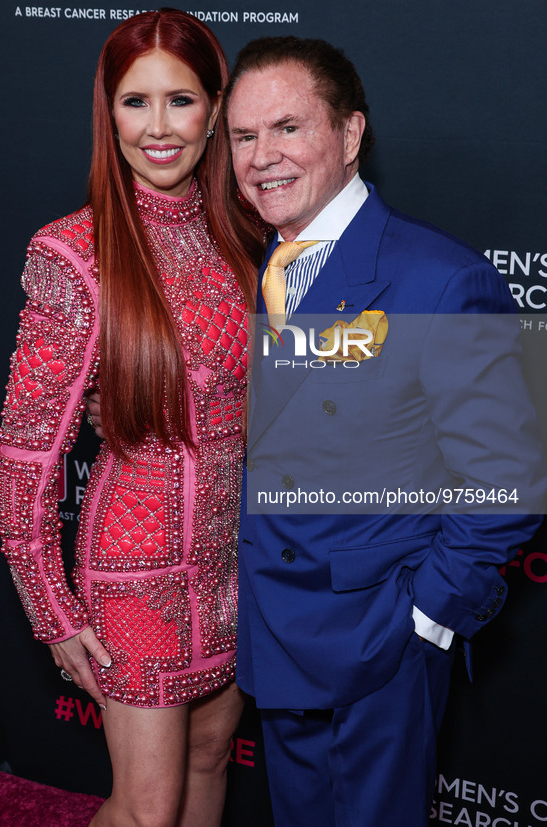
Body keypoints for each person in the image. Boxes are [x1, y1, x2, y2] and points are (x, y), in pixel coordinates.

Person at [222, 36, 546, 827]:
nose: (261, 155)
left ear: (350, 133)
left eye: (287, 128)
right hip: (274, 622)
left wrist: (423, 616)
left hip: (373, 637)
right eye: (241, 136)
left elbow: (509, 477)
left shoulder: (438, 278)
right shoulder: (263, 261)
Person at [0, 10, 265, 827]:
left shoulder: (244, 237)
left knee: (212, 757)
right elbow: (25, 459)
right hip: (134, 573)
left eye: (178, 101)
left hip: (233, 566)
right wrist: (54, 612)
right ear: (107, 114)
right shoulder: (73, 255)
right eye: (133, 102)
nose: (157, 127)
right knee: (146, 811)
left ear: (215, 110)